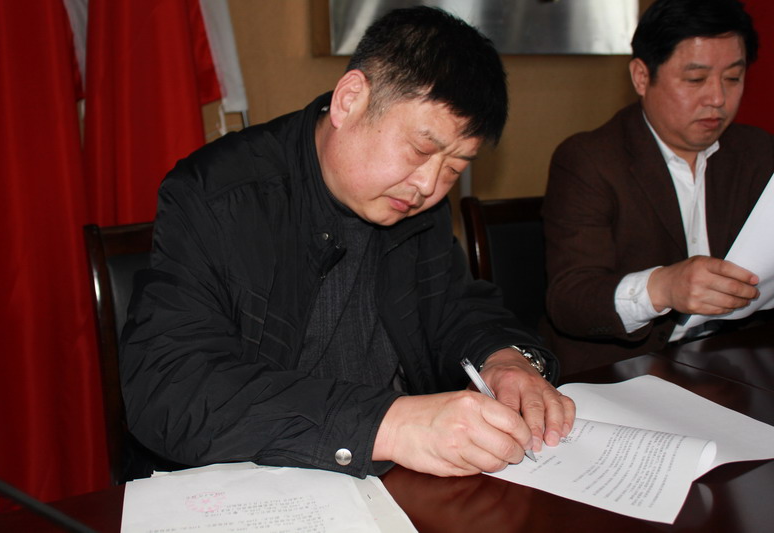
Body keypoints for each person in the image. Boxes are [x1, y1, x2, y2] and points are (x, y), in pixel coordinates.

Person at [120, 6, 575, 480]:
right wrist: (390, 424)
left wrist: (506, 359)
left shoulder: (415, 202)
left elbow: (453, 307)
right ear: (350, 99)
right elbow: (169, 389)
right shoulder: (217, 194)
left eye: (454, 169)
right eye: (420, 150)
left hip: (385, 480)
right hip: (254, 481)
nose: (429, 185)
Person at [542, 0, 773, 376]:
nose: (717, 98)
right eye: (695, 79)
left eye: (733, 78)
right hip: (623, 370)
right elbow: (570, 301)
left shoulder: (759, 152)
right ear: (641, 76)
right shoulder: (589, 159)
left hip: (732, 363)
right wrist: (663, 287)